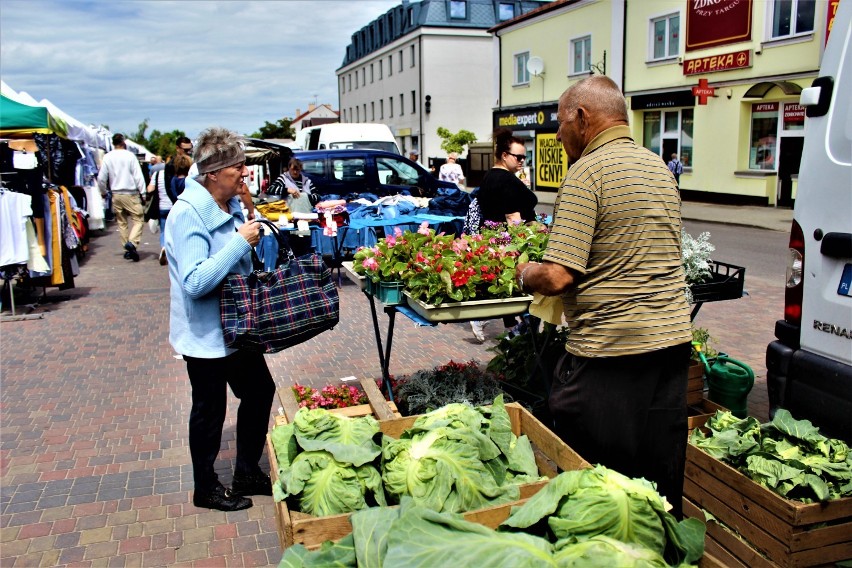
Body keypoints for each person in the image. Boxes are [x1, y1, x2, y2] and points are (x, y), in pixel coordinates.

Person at [515, 76, 692, 517]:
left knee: (597, 486)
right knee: (657, 480)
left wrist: (523, 272)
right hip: (670, 346)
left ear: (582, 117)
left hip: (611, 353)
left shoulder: (587, 172)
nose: (557, 135)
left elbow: (557, 277)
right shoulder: (657, 168)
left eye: (560, 123)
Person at [165, 127, 274, 512]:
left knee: (260, 391)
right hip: (206, 334)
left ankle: (246, 470)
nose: (243, 172)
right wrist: (239, 242)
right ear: (213, 173)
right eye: (237, 167)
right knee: (210, 410)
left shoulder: (227, 205)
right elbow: (195, 282)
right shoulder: (188, 214)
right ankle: (205, 487)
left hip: (236, 328)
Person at [468, 128, 537, 343]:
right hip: (511, 245)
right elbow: (512, 217)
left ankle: (507, 327)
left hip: (494, 241)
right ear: (505, 156)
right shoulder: (506, 181)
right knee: (525, 294)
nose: (522, 161)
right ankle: (517, 338)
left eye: (525, 157)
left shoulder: (489, 177)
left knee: (507, 290)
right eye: (518, 157)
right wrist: (530, 239)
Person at [97, 133, 146, 262]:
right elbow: (138, 175)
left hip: (116, 193)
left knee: (122, 222)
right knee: (138, 219)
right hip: (130, 192)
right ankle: (132, 243)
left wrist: (102, 191)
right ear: (124, 142)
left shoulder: (108, 157)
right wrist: (144, 192)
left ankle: (127, 250)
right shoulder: (130, 156)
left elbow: (101, 178)